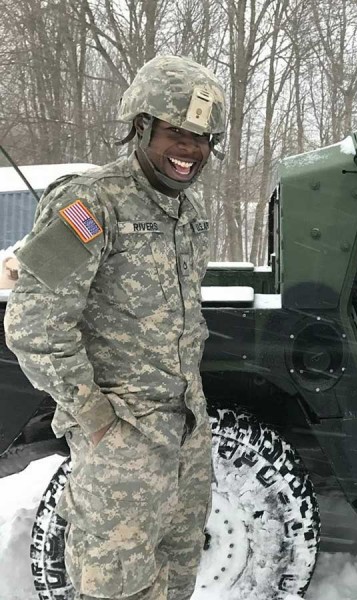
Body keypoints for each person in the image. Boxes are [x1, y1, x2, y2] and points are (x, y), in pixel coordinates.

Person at [4, 55, 226, 600]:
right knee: (115, 590)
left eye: (202, 138)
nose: (190, 150)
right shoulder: (90, 204)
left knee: (177, 578)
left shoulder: (191, 214)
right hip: (122, 443)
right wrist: (96, 419)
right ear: (142, 127)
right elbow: (35, 324)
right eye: (177, 131)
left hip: (185, 438)